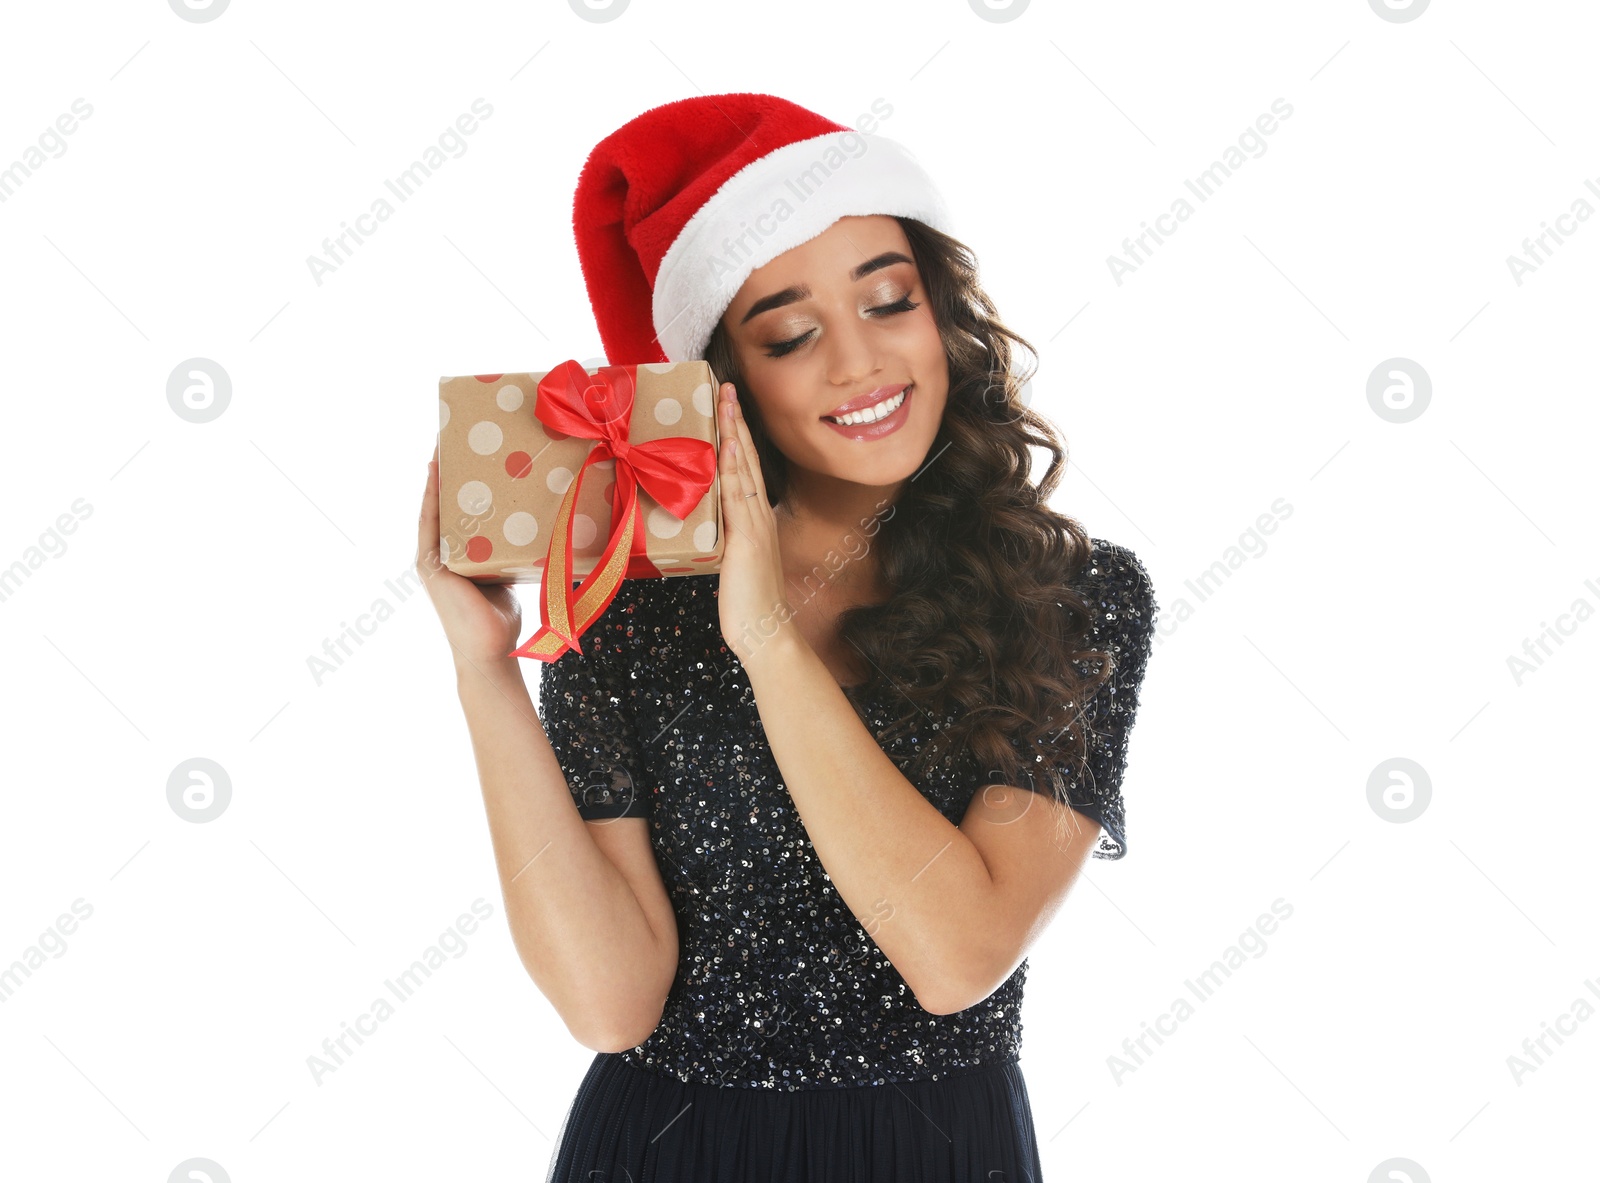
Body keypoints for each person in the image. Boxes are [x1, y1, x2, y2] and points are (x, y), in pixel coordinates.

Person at [417, 92, 1159, 1182]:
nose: (858, 365)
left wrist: (767, 639)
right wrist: (485, 664)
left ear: (943, 315)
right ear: (725, 384)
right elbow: (610, 1001)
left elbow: (956, 956)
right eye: (792, 334)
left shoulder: (1071, 596)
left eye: (889, 301)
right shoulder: (625, 601)